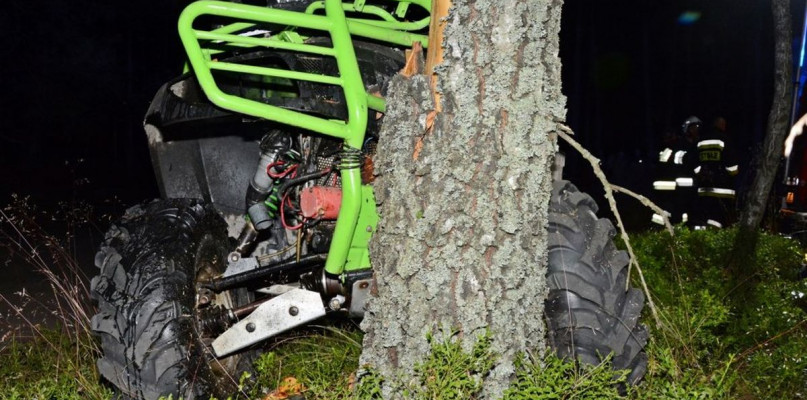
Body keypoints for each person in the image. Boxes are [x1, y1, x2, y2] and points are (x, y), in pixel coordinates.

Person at [693, 116, 738, 228]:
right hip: (722, 188)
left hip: (704, 188)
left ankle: (702, 234)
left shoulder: (701, 141)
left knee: (705, 216)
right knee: (719, 218)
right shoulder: (724, 139)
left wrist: (700, 174)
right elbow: (731, 165)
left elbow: (694, 162)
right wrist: (733, 175)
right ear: (721, 125)